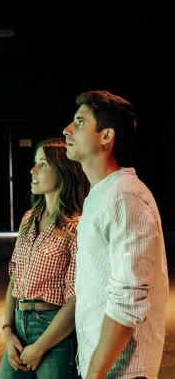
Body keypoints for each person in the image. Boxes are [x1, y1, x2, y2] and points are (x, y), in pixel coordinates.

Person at [63, 90, 169, 379]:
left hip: (123, 371)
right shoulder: (101, 194)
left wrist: (94, 375)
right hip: (103, 366)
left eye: (80, 122)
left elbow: (127, 301)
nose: (67, 129)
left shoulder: (125, 198)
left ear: (106, 136)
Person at [0, 137, 90, 378]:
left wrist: (40, 347)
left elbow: (76, 300)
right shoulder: (30, 217)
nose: (33, 170)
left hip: (54, 330)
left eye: (43, 164)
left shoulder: (77, 226)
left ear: (64, 172)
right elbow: (14, 278)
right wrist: (8, 331)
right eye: (35, 162)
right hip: (19, 324)